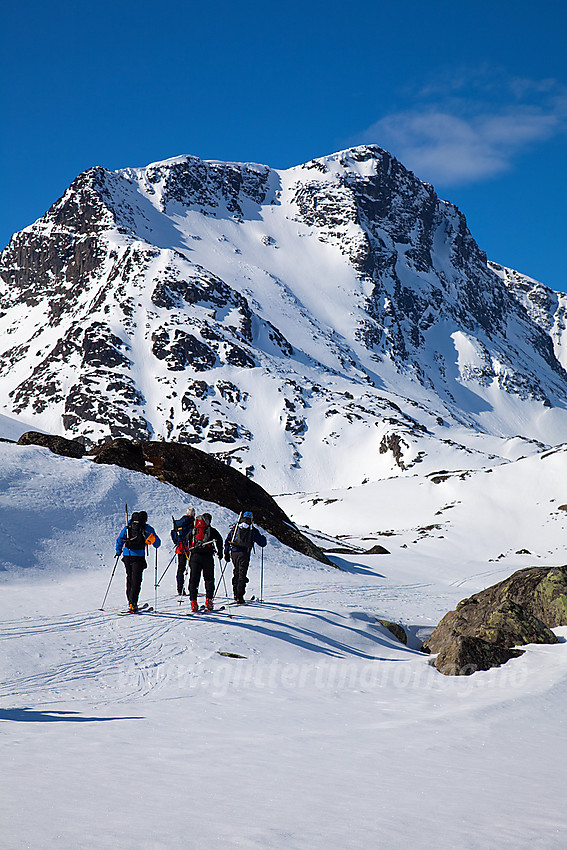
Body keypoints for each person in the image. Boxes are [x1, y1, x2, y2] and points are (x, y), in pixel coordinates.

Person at [116, 510, 161, 613]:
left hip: (127, 555)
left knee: (129, 578)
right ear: (145, 519)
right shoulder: (147, 528)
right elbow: (157, 543)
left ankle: (130, 602)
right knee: (137, 580)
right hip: (139, 557)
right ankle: (133, 603)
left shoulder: (128, 527)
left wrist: (118, 551)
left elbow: (119, 539)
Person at [224, 511, 266, 604]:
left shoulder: (236, 528)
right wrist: (263, 538)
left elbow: (228, 540)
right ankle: (240, 596)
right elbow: (262, 543)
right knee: (242, 574)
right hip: (244, 553)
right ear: (251, 518)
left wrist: (226, 552)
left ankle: (235, 594)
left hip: (234, 553)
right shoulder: (252, 529)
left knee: (236, 571)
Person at [188, 513, 223, 612]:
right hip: (207, 557)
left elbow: (186, 540)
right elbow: (219, 540)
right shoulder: (211, 530)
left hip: (194, 557)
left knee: (194, 580)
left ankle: (193, 602)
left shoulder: (194, 530)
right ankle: (209, 601)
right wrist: (220, 552)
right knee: (209, 579)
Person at [171, 507, 195, 596]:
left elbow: (173, 533)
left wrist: (177, 542)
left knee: (180, 568)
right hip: (189, 548)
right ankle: (192, 588)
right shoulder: (191, 522)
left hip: (180, 548)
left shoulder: (179, 522)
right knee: (193, 568)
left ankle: (180, 589)